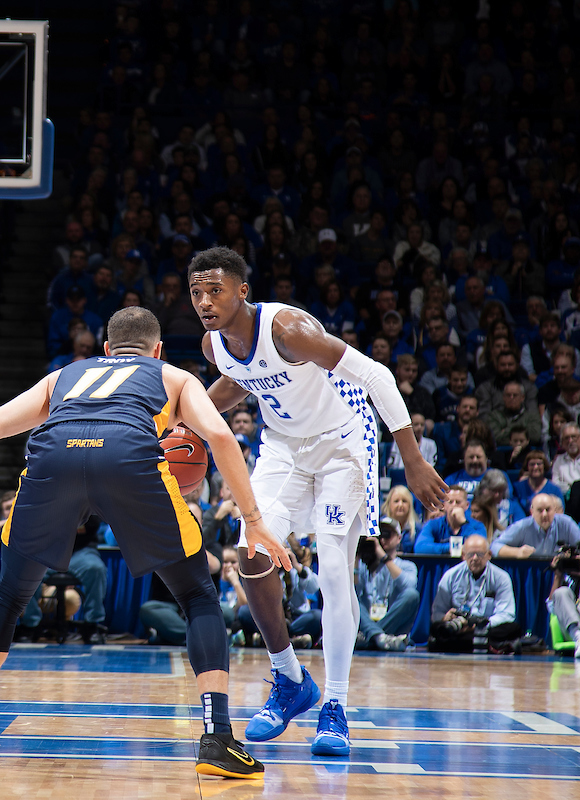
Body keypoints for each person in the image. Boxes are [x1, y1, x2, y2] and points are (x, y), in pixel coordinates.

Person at [0, 306, 287, 777]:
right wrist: (253, 518)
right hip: (129, 456)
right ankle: (217, 737)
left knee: (10, 595)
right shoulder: (173, 376)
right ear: (157, 350)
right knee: (197, 596)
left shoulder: (64, 376)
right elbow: (218, 433)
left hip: (54, 454)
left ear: (105, 350)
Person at [189, 247, 446, 756]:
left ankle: (336, 706)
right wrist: (183, 419)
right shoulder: (213, 345)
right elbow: (238, 384)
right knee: (251, 552)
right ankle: (289, 679)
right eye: (196, 292)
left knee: (332, 569)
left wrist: (411, 458)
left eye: (214, 290)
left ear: (242, 291)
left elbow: (377, 376)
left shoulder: (289, 329)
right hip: (284, 448)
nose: (204, 301)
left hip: (343, 444)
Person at [427, 534, 520, 652]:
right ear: (463, 555)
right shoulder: (451, 576)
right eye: (470, 554)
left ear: (489, 555)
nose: (475, 558)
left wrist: (478, 625)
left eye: (480, 554)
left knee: (513, 629)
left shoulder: (501, 577)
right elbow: (437, 612)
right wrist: (445, 617)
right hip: (459, 628)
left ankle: (465, 644)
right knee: (437, 628)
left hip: (486, 627)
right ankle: (488, 645)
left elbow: (507, 614)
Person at [354, 519, 419, 651]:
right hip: (367, 622)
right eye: (380, 535)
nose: (383, 539)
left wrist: (384, 558)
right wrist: (357, 556)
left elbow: (409, 586)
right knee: (351, 597)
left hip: (391, 625)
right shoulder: (364, 566)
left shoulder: (407, 566)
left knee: (412, 595)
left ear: (399, 538)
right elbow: (354, 591)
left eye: (387, 534)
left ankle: (372, 638)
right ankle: (379, 638)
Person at [490, 494, 580, 558]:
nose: (544, 514)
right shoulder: (522, 526)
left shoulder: (566, 523)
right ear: (532, 512)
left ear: (555, 510)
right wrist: (517, 552)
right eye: (540, 510)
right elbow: (494, 546)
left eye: (548, 509)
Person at [415, 486, 486, 554]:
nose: (454, 505)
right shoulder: (433, 524)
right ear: (444, 505)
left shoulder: (477, 526)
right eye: (450, 502)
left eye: (458, 502)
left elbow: (481, 547)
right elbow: (420, 548)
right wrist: (452, 548)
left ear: (467, 505)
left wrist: (464, 524)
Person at [549, 545, 580, 659]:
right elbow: (551, 608)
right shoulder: (569, 579)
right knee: (561, 592)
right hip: (572, 628)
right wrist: (558, 576)